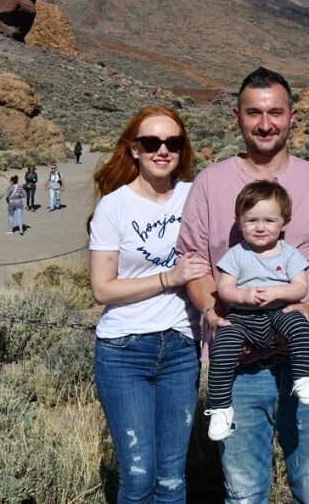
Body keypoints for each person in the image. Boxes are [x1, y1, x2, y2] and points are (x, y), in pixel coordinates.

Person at [178, 66, 309, 504]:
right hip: (237, 365)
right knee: (243, 492)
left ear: (292, 116)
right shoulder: (210, 184)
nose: (265, 123)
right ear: (237, 117)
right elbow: (195, 263)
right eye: (254, 113)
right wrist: (212, 314)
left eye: (275, 112)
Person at [88, 107, 212, 504]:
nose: (163, 150)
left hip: (180, 349)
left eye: (173, 142)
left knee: (173, 480)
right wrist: (168, 278)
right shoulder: (115, 206)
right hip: (124, 352)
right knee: (139, 478)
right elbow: (102, 289)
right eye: (151, 142)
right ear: (134, 149)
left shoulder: (197, 196)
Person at [205, 181, 309, 442]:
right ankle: (221, 409)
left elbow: (301, 287)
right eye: (251, 220)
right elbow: (224, 288)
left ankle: (302, 377)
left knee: (300, 325)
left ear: (284, 222)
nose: (260, 227)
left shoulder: (289, 254)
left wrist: (278, 293)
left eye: (269, 220)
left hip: (279, 313)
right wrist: (243, 295)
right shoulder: (236, 255)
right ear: (239, 221)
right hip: (242, 319)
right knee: (221, 350)